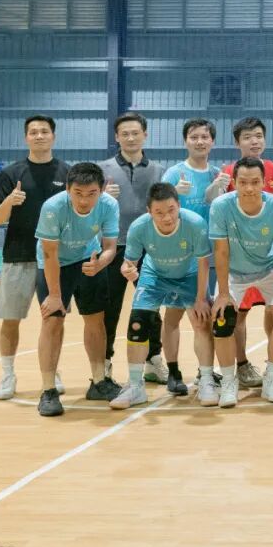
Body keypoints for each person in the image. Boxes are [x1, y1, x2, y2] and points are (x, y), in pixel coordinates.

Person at [110, 183, 215, 408]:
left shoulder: (195, 224)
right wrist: (127, 270)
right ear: (149, 211)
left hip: (189, 274)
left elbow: (203, 263)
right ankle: (136, 387)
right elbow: (129, 263)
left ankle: (207, 380)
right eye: (159, 212)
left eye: (171, 210)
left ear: (179, 205)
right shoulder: (139, 228)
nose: (167, 217)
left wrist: (200, 299)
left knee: (201, 320)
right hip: (154, 274)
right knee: (137, 323)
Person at [0, 115, 70, 400]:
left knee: (54, 319)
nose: (39, 136)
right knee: (10, 318)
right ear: (26, 138)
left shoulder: (67, 172)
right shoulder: (11, 173)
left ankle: (52, 371)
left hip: (54, 259)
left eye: (44, 131)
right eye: (33, 132)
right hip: (18, 256)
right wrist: (9, 202)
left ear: (53, 136)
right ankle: (7, 375)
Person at [33, 163, 121, 416]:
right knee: (52, 321)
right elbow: (49, 253)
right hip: (54, 264)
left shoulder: (109, 205)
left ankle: (99, 381)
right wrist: (55, 295)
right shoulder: (53, 208)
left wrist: (100, 263)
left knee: (96, 320)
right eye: (78, 193)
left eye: (92, 193)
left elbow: (110, 247)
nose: (84, 200)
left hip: (88, 260)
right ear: (67, 189)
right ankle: (48, 390)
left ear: (102, 189)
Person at [208, 117, 273, 388]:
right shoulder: (227, 177)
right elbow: (221, 238)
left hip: (267, 258)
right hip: (237, 260)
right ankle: (239, 366)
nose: (254, 141)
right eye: (247, 137)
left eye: (258, 136)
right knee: (234, 315)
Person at [98, 111, 165, 382]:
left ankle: (154, 360)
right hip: (113, 247)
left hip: (149, 248)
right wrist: (102, 196)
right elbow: (88, 207)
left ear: (144, 135)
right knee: (109, 307)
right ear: (116, 137)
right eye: (124, 133)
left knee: (151, 306)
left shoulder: (159, 170)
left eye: (135, 133)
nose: (130, 138)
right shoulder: (102, 169)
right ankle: (104, 362)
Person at [161, 117, 220, 386]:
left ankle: (204, 372)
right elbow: (159, 211)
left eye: (204, 137)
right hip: (179, 257)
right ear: (186, 141)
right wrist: (174, 193)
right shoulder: (173, 174)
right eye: (194, 137)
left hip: (208, 256)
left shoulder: (217, 174)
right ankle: (173, 371)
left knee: (204, 317)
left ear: (212, 141)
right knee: (173, 314)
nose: (199, 141)